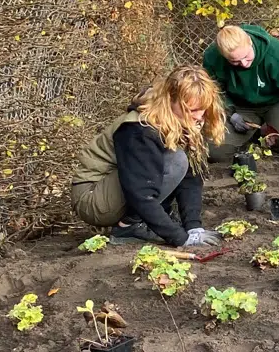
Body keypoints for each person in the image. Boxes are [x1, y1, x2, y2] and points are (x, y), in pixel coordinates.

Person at [70, 66, 225, 247]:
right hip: (92, 197)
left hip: (118, 187)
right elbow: (140, 192)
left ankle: (138, 222)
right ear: (171, 100)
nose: (199, 116)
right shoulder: (139, 128)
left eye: (203, 109)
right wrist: (180, 238)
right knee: (175, 160)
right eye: (192, 110)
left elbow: (190, 176)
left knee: (182, 159)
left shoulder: (176, 120)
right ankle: (129, 226)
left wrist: (193, 227)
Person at [202, 24, 279, 161]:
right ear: (224, 56)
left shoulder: (276, 53)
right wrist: (230, 113)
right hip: (240, 106)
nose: (244, 64)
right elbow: (214, 92)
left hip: (275, 102)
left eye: (247, 57)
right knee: (215, 151)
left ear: (249, 41)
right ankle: (254, 135)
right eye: (235, 61)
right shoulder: (212, 57)